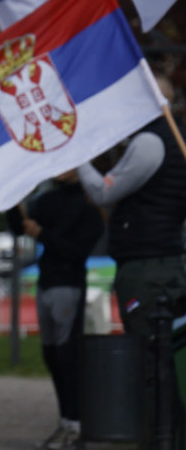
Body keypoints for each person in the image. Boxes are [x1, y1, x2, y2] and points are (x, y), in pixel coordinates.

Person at [76, 75, 186, 339]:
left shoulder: (150, 142)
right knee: (165, 349)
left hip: (146, 267)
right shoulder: (176, 138)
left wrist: (77, 156)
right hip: (166, 260)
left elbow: (103, 192)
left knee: (146, 348)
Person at [6, 171, 103, 450]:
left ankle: (76, 422)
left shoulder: (89, 204)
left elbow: (76, 251)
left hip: (68, 285)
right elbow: (20, 227)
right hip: (46, 283)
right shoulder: (46, 199)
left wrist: (44, 234)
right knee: (52, 355)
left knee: (67, 355)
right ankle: (66, 420)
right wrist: (10, 201)